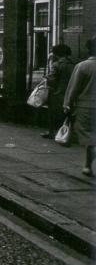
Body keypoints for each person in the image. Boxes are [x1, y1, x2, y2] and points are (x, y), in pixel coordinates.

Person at [63, 37, 96, 176]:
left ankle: (89, 165)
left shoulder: (83, 66)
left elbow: (73, 88)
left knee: (88, 136)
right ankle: (87, 165)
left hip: (86, 107)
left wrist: (67, 104)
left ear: (88, 48)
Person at [43, 44, 75, 139]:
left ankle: (52, 133)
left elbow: (51, 80)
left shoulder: (57, 65)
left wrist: (46, 78)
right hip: (71, 93)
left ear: (56, 54)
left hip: (58, 93)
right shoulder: (74, 64)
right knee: (69, 114)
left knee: (53, 114)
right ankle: (68, 133)